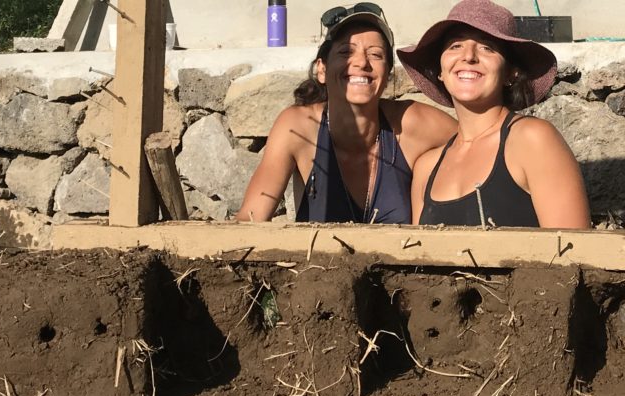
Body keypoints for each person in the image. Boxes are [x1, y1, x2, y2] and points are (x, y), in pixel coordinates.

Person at [236, 3, 457, 224]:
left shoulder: (411, 123)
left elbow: (476, 140)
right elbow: (249, 219)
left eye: (375, 54)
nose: (361, 62)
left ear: (387, 74)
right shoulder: (298, 127)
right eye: (346, 52)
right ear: (322, 69)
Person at [397, 0, 589, 228]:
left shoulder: (532, 140)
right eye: (455, 46)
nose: (469, 56)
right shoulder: (426, 168)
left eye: (487, 47)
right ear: (439, 70)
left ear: (511, 73)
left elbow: (573, 246)